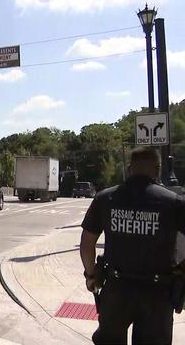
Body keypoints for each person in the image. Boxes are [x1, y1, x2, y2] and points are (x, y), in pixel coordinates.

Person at [80, 146, 185, 344]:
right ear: (158, 169)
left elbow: (87, 242)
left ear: (129, 169)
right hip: (158, 294)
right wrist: (181, 269)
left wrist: (91, 275)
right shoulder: (173, 202)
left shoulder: (105, 198)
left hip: (116, 290)